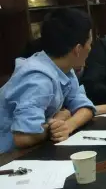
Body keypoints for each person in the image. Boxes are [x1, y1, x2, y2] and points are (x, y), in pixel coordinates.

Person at [0, 9, 95, 153]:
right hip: (7, 157)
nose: (91, 48)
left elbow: (86, 107)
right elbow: (23, 137)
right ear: (78, 49)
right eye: (89, 44)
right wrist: (53, 127)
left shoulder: (64, 69)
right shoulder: (37, 79)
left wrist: (68, 125)